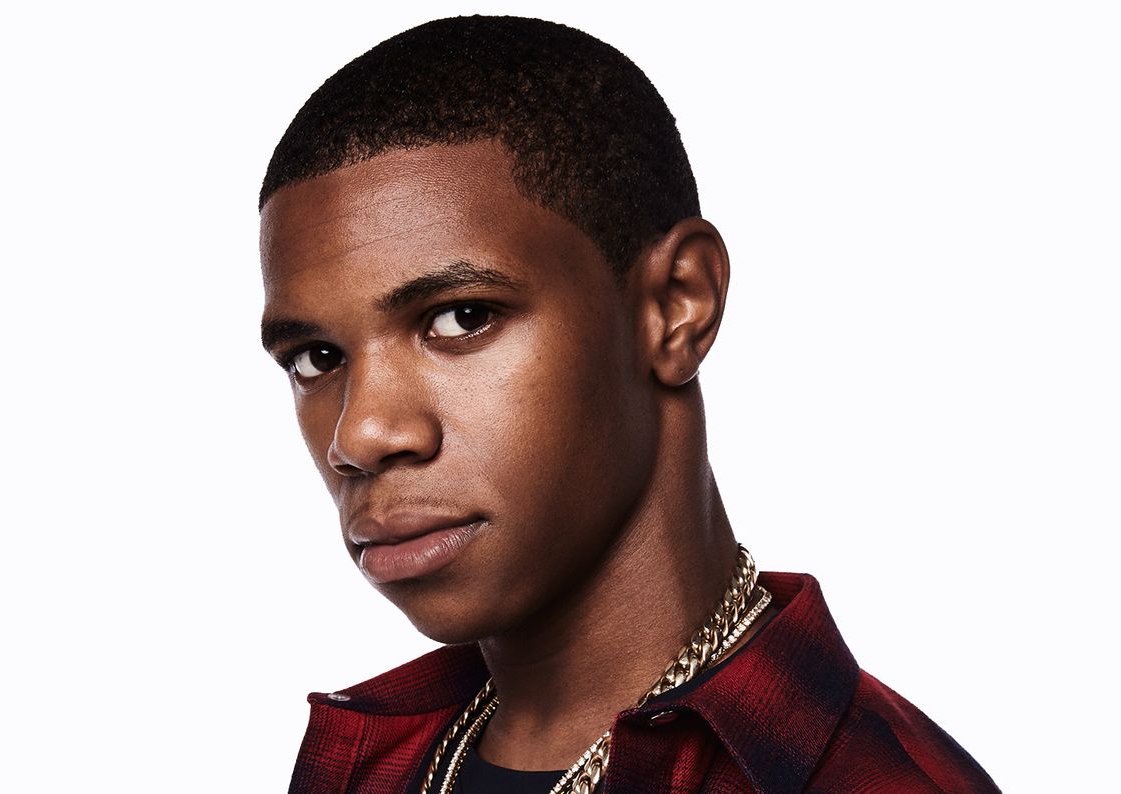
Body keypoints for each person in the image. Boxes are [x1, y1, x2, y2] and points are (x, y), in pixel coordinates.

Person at [258, 15, 998, 793]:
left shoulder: (875, 782)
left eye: (461, 318)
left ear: (677, 305)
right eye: (316, 358)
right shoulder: (369, 769)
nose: (360, 434)